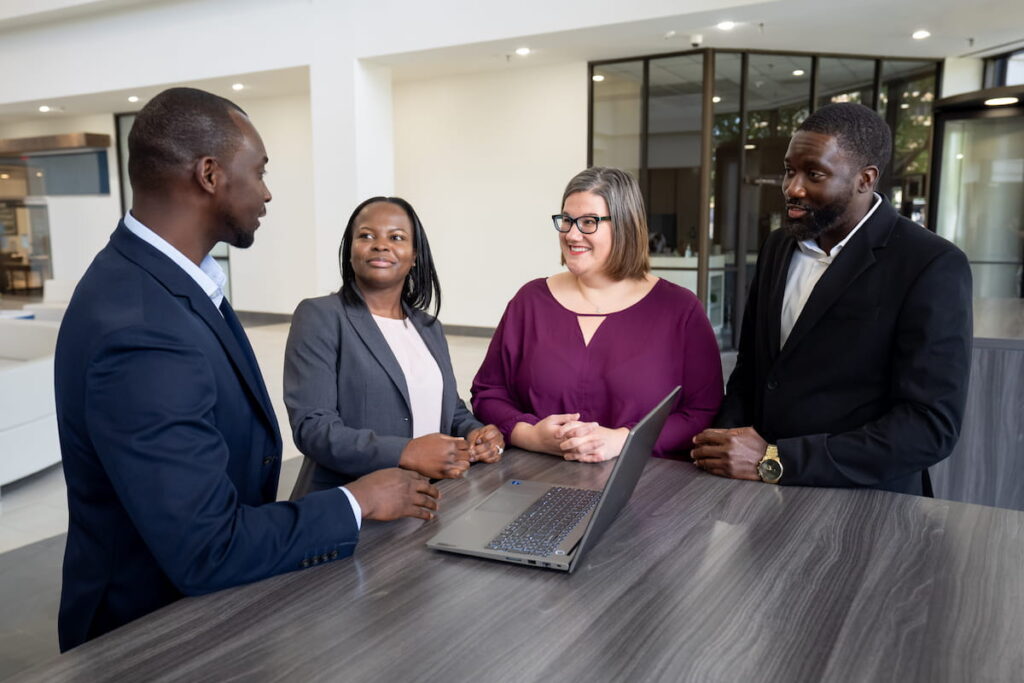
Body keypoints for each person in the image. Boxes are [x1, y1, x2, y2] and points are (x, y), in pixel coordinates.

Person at [54, 88, 439, 651]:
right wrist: (358, 500)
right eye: (258, 171)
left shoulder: (173, 284)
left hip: (209, 615)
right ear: (210, 174)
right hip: (151, 639)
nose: (266, 191)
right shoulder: (141, 327)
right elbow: (207, 547)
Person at [692, 103, 972, 494]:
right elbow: (753, 370)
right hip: (760, 498)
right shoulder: (778, 246)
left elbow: (929, 426)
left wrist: (774, 460)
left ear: (865, 179)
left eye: (814, 174)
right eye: (790, 170)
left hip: (864, 507)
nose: (793, 187)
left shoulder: (931, 264)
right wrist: (720, 445)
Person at [471, 167, 723, 462]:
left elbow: (703, 411)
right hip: (535, 480)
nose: (572, 234)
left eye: (589, 222)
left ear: (626, 226)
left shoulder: (679, 309)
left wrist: (623, 440)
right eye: (566, 221)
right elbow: (488, 392)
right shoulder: (530, 302)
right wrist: (531, 435)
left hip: (645, 486)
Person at [284, 197, 504, 494]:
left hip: (428, 501)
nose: (380, 245)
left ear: (414, 256)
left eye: (396, 237)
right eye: (366, 236)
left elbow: (450, 411)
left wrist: (475, 432)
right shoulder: (321, 316)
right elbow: (313, 429)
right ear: (350, 251)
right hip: (352, 505)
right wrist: (406, 452)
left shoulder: (429, 328)